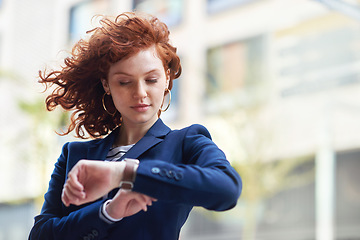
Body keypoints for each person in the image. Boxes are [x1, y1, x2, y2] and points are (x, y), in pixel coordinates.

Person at [29, 12, 242, 240]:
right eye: (124, 82)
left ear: (167, 79)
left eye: (151, 80)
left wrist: (124, 173)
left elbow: (227, 189)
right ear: (107, 85)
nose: (140, 93)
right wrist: (107, 212)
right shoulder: (74, 155)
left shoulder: (185, 142)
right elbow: (40, 235)